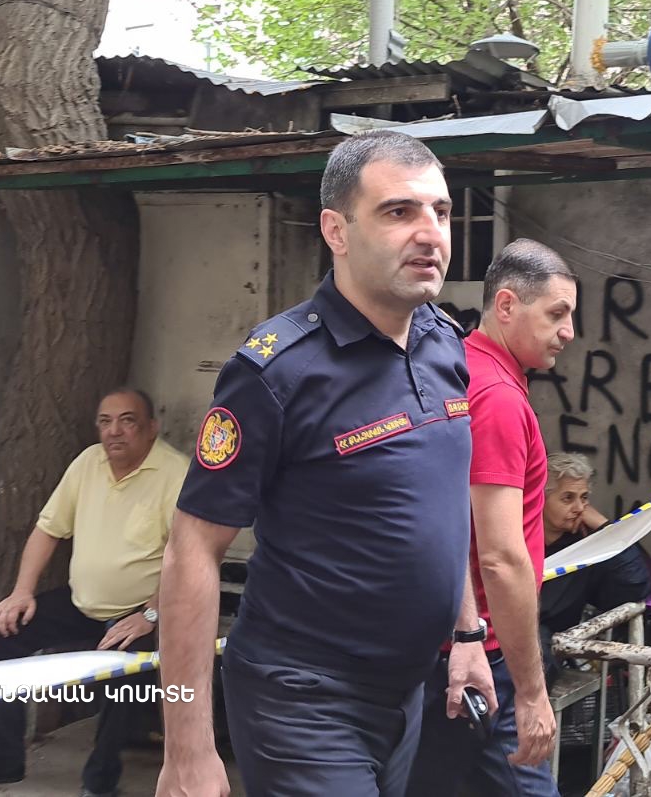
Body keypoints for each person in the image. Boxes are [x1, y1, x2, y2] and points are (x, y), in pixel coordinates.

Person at [155, 130, 494, 797]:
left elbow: (442, 504)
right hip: (302, 697)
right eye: (398, 211)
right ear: (336, 230)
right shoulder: (276, 370)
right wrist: (186, 747)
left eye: (441, 211)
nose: (430, 233)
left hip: (406, 691)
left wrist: (467, 634)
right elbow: (190, 549)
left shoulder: (445, 345)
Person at [0, 388, 186, 797]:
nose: (114, 431)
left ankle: (99, 784)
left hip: (139, 611)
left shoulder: (176, 474)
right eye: (105, 421)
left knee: (126, 679)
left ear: (151, 427)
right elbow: (48, 529)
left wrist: (151, 614)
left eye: (127, 421)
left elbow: (186, 556)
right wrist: (21, 593)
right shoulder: (87, 462)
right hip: (81, 602)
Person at [407, 239, 578, 797]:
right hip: (481, 653)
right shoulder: (497, 397)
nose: (568, 332)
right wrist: (531, 691)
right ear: (506, 305)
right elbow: (500, 557)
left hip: (446, 645)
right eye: (556, 314)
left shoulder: (461, 368)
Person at [536, 453, 651, 687]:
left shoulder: (585, 549)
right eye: (567, 498)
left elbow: (635, 586)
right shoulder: (512, 538)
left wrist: (604, 528)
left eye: (584, 498)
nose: (579, 508)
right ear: (540, 498)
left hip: (544, 655)